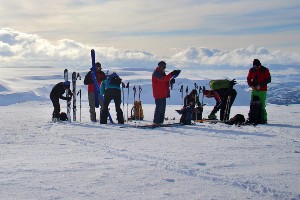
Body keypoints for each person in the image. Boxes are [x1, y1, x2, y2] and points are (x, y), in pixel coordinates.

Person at [247, 59, 271, 123]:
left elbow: (268, 79)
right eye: (254, 67)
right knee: (252, 104)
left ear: (260, 65)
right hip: (254, 90)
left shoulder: (265, 70)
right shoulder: (251, 70)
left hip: (263, 90)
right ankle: (252, 118)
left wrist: (260, 85)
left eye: (257, 67)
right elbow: (248, 78)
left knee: (262, 105)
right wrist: (251, 85)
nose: (256, 68)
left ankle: (263, 119)